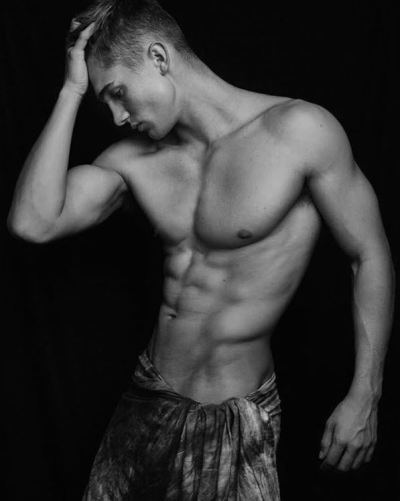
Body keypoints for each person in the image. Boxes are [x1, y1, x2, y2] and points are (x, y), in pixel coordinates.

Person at [7, 0, 395, 499]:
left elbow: (369, 254)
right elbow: (33, 222)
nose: (118, 117)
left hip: (236, 421)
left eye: (118, 93)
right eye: (105, 103)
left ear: (159, 57)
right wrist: (71, 91)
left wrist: (366, 394)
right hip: (146, 402)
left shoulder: (300, 132)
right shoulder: (132, 163)